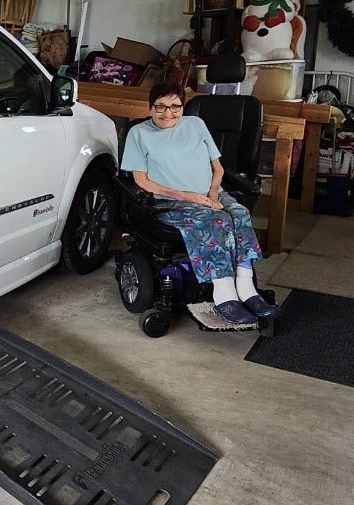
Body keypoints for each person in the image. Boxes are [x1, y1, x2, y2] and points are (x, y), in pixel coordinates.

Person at [120, 81, 280, 324]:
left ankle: (247, 290)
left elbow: (217, 168)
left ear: (183, 107)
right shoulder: (139, 134)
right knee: (218, 220)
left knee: (240, 214)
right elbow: (142, 182)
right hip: (171, 201)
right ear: (150, 108)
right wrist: (189, 197)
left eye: (175, 106)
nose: (168, 113)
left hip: (209, 193)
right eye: (160, 107)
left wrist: (214, 194)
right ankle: (224, 295)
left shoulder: (196, 124)